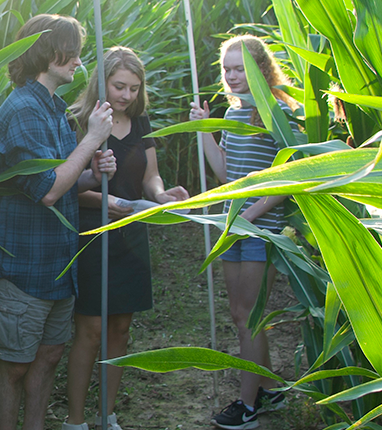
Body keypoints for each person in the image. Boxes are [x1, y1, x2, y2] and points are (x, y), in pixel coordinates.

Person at [0, 13, 117, 430]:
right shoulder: (22, 110)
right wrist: (91, 138)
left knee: (48, 356)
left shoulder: (52, 108)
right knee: (15, 365)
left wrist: (94, 171)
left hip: (57, 264)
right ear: (46, 52)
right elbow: (48, 190)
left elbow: (63, 179)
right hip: (22, 268)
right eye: (70, 51)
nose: (78, 61)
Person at [62, 46, 189, 430]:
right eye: (119, 86)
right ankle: (75, 420)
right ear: (102, 82)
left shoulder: (140, 122)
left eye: (134, 88)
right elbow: (68, 185)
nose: (126, 96)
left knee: (120, 327)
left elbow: (150, 176)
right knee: (91, 329)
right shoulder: (79, 121)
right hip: (92, 233)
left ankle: (107, 413)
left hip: (132, 232)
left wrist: (161, 195)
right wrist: (115, 202)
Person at [188, 34, 297, 430]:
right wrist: (204, 130)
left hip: (259, 230)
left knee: (248, 317)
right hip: (231, 226)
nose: (232, 76)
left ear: (260, 69)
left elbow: (288, 179)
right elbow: (225, 173)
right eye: (226, 69)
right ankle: (269, 388)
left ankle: (247, 406)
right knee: (241, 315)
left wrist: (250, 215)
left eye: (240, 69)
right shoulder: (233, 116)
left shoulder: (277, 114)